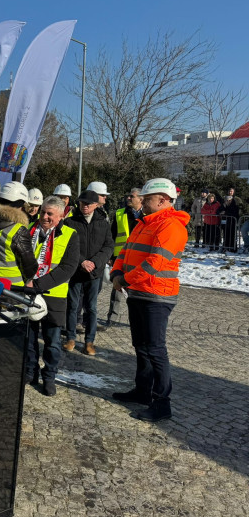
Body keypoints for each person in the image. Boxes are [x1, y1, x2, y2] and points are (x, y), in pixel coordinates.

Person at [111, 178, 189, 422]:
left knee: (155, 349)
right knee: (142, 346)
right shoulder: (145, 223)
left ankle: (161, 403)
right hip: (139, 292)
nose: (142, 202)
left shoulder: (171, 226)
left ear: (163, 201)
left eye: (147, 199)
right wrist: (116, 272)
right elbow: (124, 251)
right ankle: (143, 391)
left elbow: (155, 263)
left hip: (157, 295)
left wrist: (124, 280)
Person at [25, 196, 79, 396]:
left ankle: (49, 376)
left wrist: (39, 284)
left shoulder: (70, 234)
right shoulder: (29, 229)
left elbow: (68, 267)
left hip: (53, 294)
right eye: (43, 212)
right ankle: (30, 372)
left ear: (61, 215)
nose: (44, 217)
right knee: (29, 337)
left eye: (50, 214)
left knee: (53, 342)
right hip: (28, 293)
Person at [62, 190, 114, 356]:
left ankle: (89, 341)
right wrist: (82, 261)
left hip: (94, 273)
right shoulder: (70, 222)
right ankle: (70, 338)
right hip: (76, 270)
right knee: (72, 306)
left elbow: (108, 247)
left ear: (96, 205)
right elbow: (67, 246)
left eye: (89, 204)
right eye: (82, 203)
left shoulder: (103, 224)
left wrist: (95, 262)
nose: (85, 206)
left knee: (91, 307)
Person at [102, 188, 142, 330]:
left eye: (132, 196)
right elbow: (113, 236)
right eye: (128, 195)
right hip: (121, 258)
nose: (128, 198)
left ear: (141, 199)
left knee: (138, 291)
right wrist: (111, 256)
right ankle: (111, 319)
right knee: (117, 288)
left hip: (140, 258)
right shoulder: (120, 213)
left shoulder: (148, 215)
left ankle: (138, 321)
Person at [222, 187, 242, 253]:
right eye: (229, 191)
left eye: (232, 191)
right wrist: (220, 212)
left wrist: (226, 213)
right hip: (225, 220)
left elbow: (236, 211)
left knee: (232, 235)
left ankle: (233, 248)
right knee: (225, 234)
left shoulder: (236, 200)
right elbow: (221, 208)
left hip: (233, 220)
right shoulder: (224, 200)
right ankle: (225, 247)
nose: (230, 192)